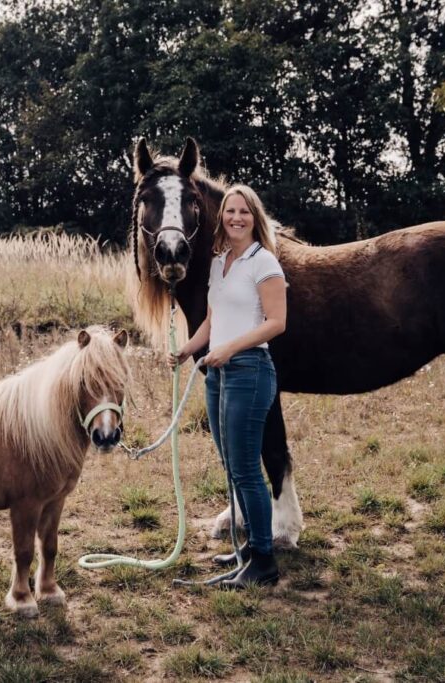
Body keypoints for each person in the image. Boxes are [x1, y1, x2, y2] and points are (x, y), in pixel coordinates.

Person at [170, 184, 287, 589]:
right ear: (222, 218)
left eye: (244, 212)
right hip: (219, 376)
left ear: (255, 218)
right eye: (230, 212)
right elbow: (211, 320)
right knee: (232, 467)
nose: (236, 218)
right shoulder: (221, 264)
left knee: (247, 471)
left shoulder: (264, 262)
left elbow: (276, 322)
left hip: (250, 371)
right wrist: (189, 349)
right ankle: (249, 548)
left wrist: (228, 349)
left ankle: (264, 561)